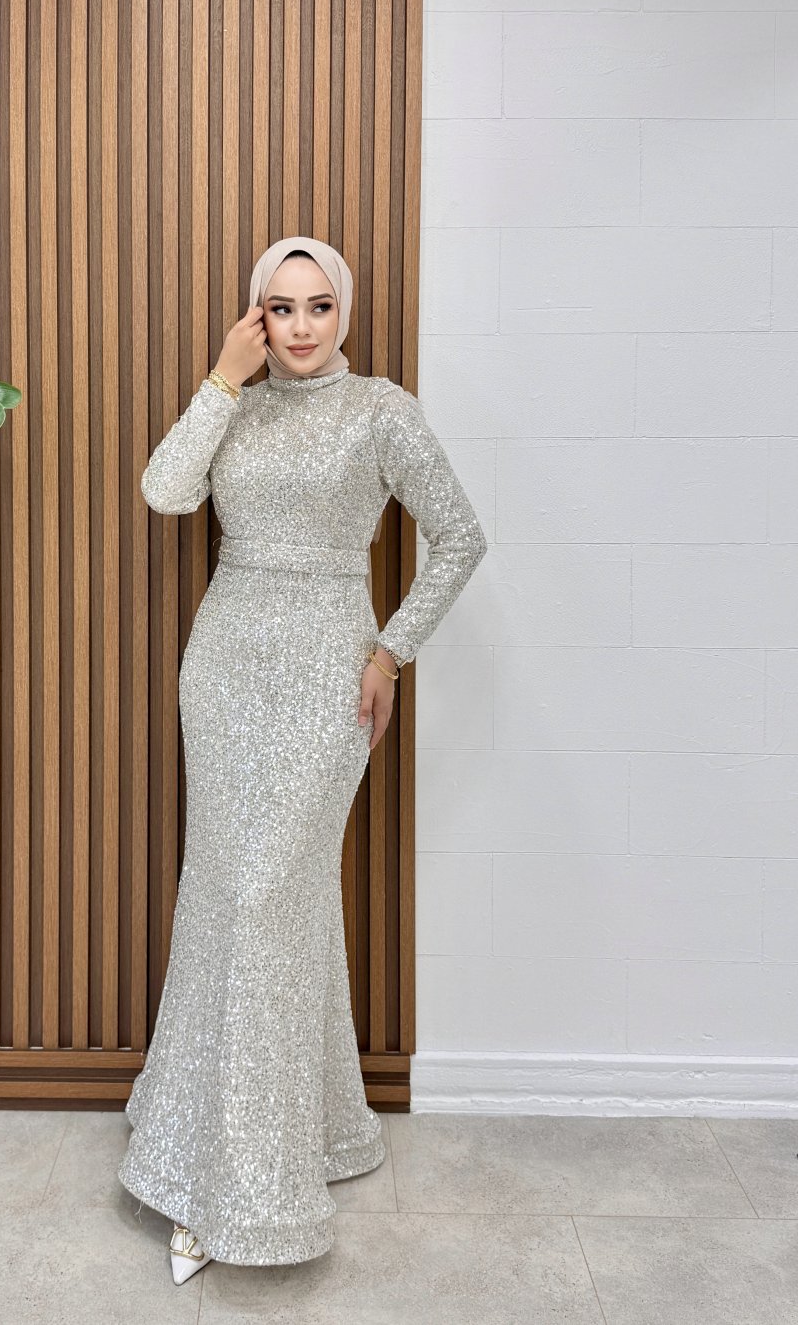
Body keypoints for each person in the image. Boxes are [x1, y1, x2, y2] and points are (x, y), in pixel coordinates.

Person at [117, 235, 487, 1283]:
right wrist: (220, 380)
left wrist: (390, 650)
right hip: (225, 665)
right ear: (257, 317)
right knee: (232, 894)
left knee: (269, 895)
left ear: (344, 312)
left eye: (319, 304)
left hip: (329, 670)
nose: (302, 325)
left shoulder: (380, 409)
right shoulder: (236, 401)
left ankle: (246, 1188)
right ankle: (266, 1133)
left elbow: (460, 536)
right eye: (280, 307)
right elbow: (165, 491)